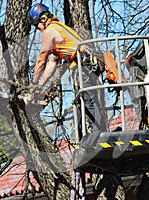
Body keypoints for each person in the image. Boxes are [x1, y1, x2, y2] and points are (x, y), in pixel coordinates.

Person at [28, 3, 104, 135]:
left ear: (43, 19)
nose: (37, 29)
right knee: (85, 99)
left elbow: (41, 60)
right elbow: (52, 63)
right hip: (85, 62)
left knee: (88, 99)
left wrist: (33, 83)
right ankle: (94, 132)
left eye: (36, 25)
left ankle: (98, 134)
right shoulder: (58, 28)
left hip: (82, 63)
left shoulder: (49, 31)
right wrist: (40, 86)